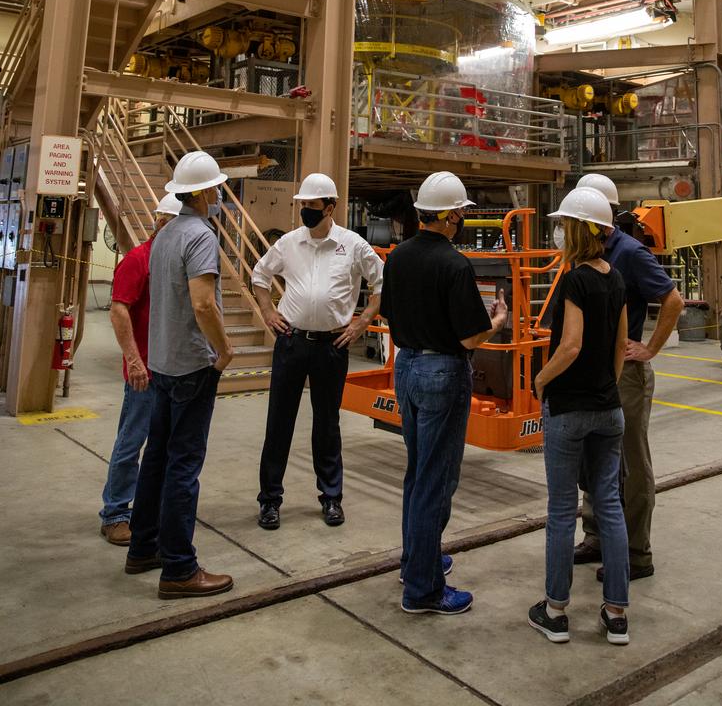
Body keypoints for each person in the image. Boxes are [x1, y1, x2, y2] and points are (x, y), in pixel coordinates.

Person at [381, 171, 507, 616]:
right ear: (451, 216)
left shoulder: (398, 257)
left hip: (407, 367)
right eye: (460, 213)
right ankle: (424, 589)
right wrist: (497, 321)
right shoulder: (454, 264)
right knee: (436, 479)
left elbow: (389, 313)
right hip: (442, 373)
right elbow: (471, 337)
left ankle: (417, 560)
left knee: (418, 472)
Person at [126, 150, 234, 599]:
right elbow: (203, 304)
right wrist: (224, 350)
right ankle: (179, 569)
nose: (219, 194)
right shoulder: (201, 236)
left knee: (156, 458)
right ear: (205, 192)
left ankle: (143, 547)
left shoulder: (166, 234)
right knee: (183, 466)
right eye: (217, 188)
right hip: (192, 365)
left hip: (162, 363)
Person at [252, 173, 384, 530]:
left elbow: (381, 282)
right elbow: (259, 276)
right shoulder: (289, 243)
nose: (305, 211)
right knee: (279, 422)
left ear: (330, 207)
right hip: (291, 341)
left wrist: (361, 323)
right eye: (303, 205)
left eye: (312, 205)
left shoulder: (353, 245)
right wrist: (267, 311)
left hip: (332, 346)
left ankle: (331, 497)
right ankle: (270, 501)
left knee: (327, 424)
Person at [528, 186, 629, 646]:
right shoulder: (616, 279)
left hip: (568, 410)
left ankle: (555, 611)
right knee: (609, 505)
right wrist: (605, 388)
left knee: (561, 510)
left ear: (577, 231)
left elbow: (570, 346)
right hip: (608, 410)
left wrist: (541, 379)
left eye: (563, 225)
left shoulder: (574, 281)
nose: (559, 232)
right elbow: (620, 347)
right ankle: (616, 614)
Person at [573, 172, 684, 582]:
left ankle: (637, 553)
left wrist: (650, 348)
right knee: (594, 455)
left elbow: (673, 299)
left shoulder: (631, 252)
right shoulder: (585, 252)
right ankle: (596, 537)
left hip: (626, 374)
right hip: (592, 370)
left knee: (631, 463)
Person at [99, 193, 182, 545]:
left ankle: (148, 509)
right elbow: (119, 310)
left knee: (164, 446)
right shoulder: (138, 260)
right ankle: (115, 512)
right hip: (144, 372)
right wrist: (134, 361)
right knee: (131, 441)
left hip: (170, 370)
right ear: (161, 223)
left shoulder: (173, 261)